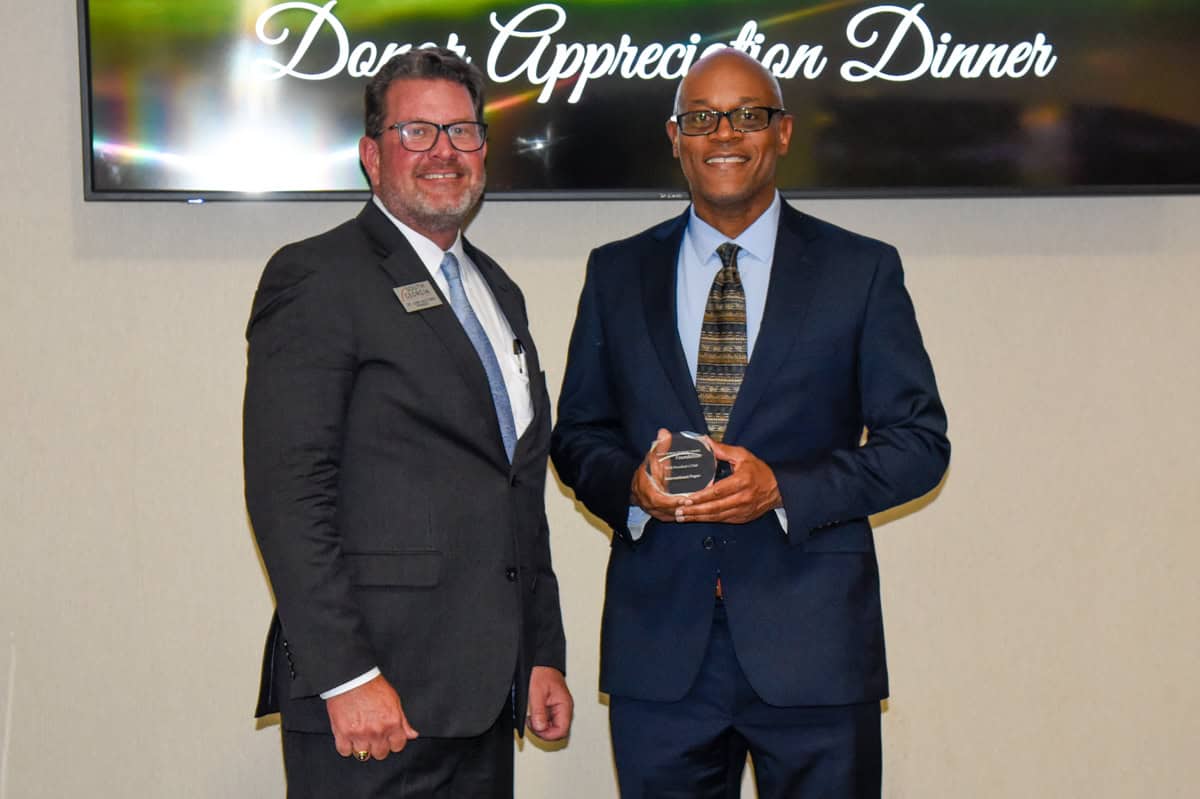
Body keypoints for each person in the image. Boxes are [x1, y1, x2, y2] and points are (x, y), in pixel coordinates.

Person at [550, 48, 948, 798]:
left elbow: (919, 445)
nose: (724, 133)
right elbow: (577, 435)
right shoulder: (616, 271)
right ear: (675, 137)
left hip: (816, 652)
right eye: (701, 117)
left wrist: (784, 488)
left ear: (784, 132)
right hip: (660, 651)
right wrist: (634, 487)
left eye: (748, 115)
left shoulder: (860, 271)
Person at [244, 48, 571, 798]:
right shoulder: (318, 277)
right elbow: (289, 492)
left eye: (462, 132)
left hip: (482, 700)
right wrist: (346, 673)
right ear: (371, 154)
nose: (443, 153)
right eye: (417, 132)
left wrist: (540, 652)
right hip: (371, 700)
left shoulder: (498, 292)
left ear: (485, 150)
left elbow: (514, 487)